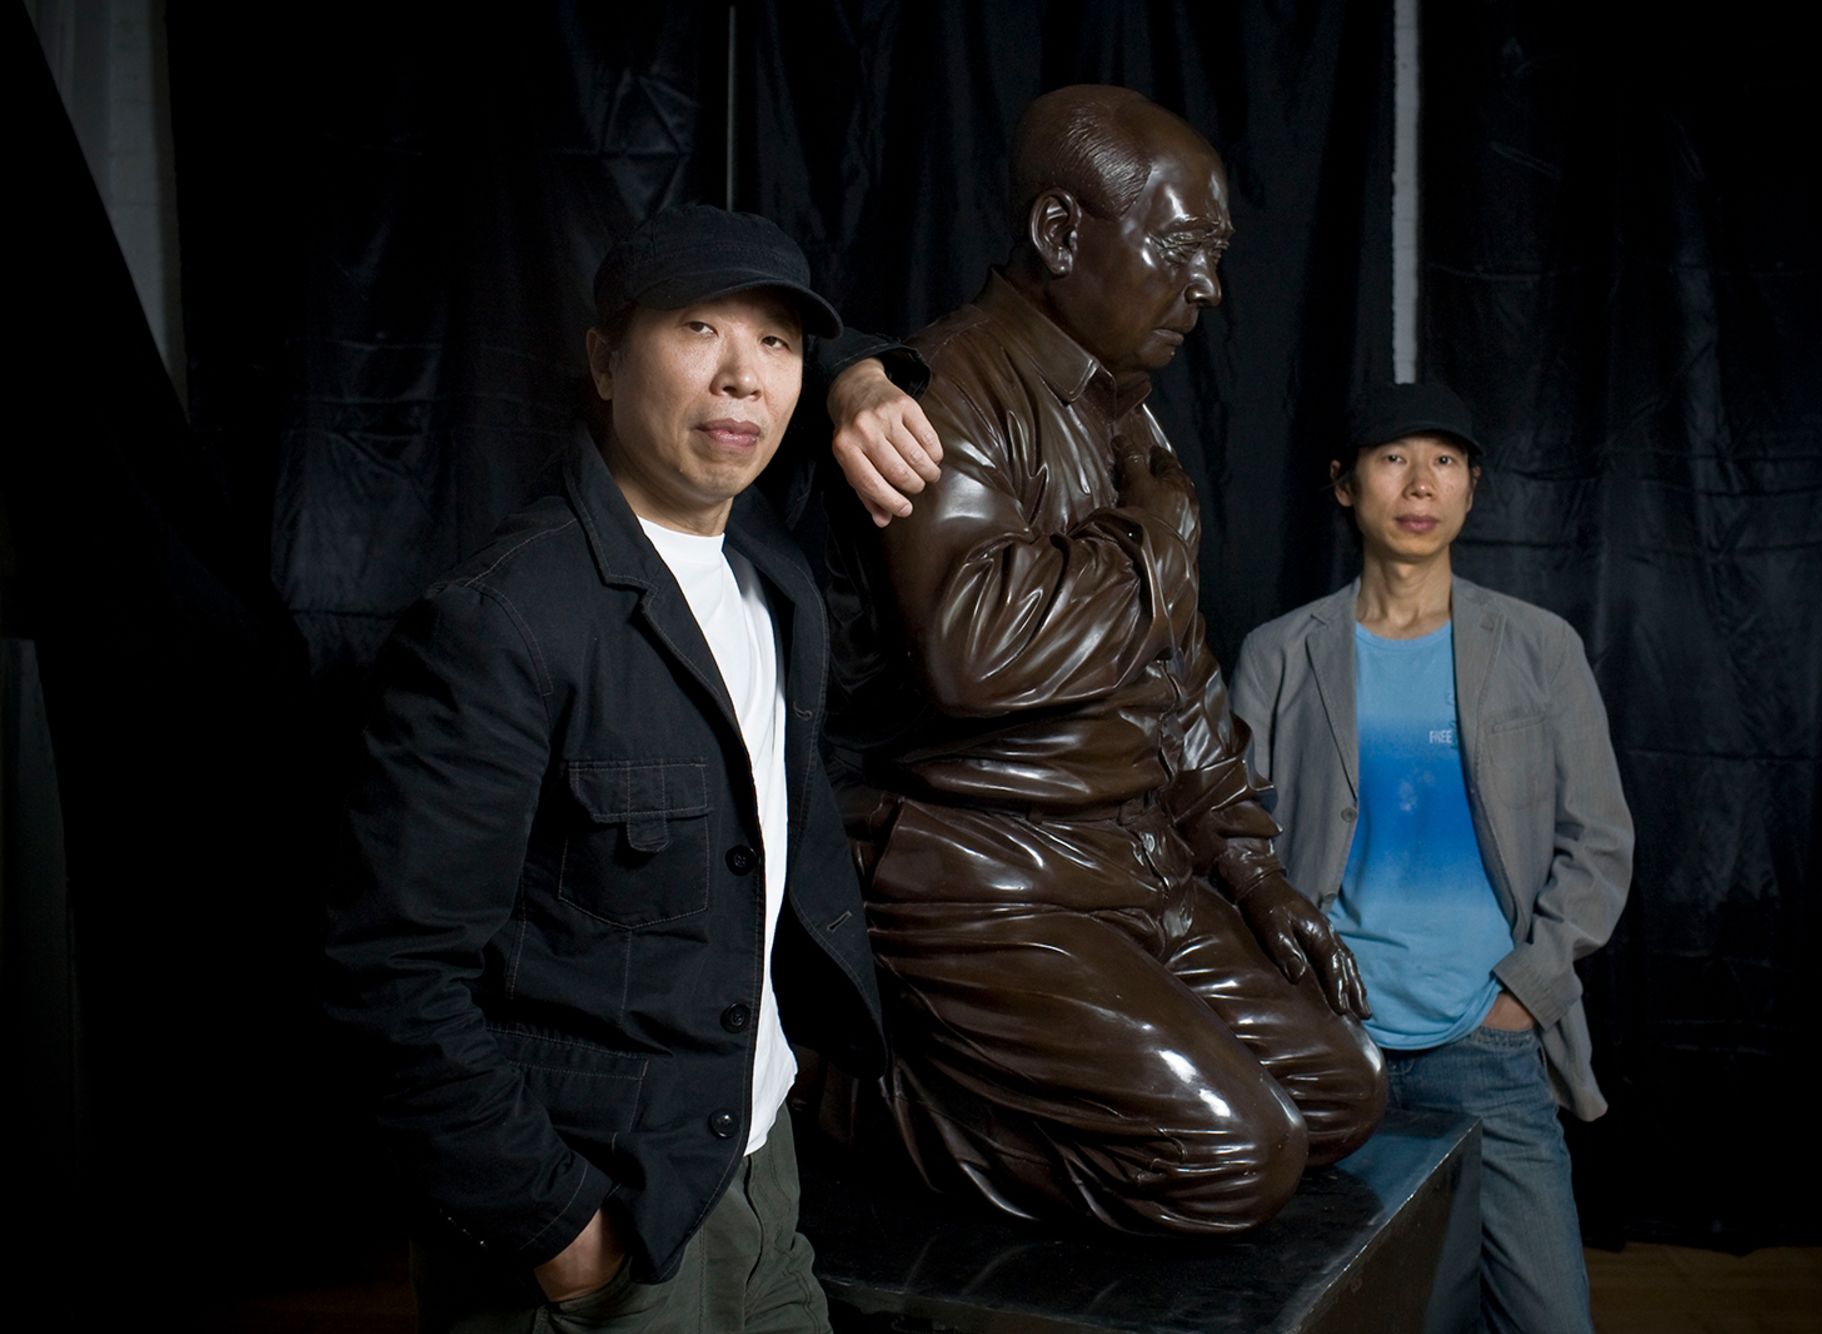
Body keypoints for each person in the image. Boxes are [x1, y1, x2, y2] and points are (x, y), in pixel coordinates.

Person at [325, 203, 918, 1333]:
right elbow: (388, 977)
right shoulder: (502, 619)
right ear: (603, 360)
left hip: (756, 1163)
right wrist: (563, 1233)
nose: (744, 379)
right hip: (603, 1216)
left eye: (777, 345)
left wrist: (851, 375)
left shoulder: (771, 567)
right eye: (698, 330)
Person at [825, 85, 1386, 1236]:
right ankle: (850, 1095)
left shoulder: (1130, 414)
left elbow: (1176, 684)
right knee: (1240, 1159)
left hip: (1134, 866)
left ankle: (1076, 1082)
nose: (1208, 289)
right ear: (1060, 232)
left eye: (1217, 256)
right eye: (1181, 249)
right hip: (991, 878)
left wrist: (1253, 875)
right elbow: (974, 655)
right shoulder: (945, 387)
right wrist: (1155, 533)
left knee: (1343, 1094)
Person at [1230, 381, 1633, 1332]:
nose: (1420, 484)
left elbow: (1599, 839)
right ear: (1344, 485)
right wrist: (1295, 1000)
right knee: (1370, 1311)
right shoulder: (1281, 655)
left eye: (1445, 462)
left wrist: (1522, 993)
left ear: (1471, 487)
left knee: (1547, 1319)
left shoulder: (1538, 647)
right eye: (1392, 459)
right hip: (1335, 1043)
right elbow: (1234, 845)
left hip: (1486, 1042)